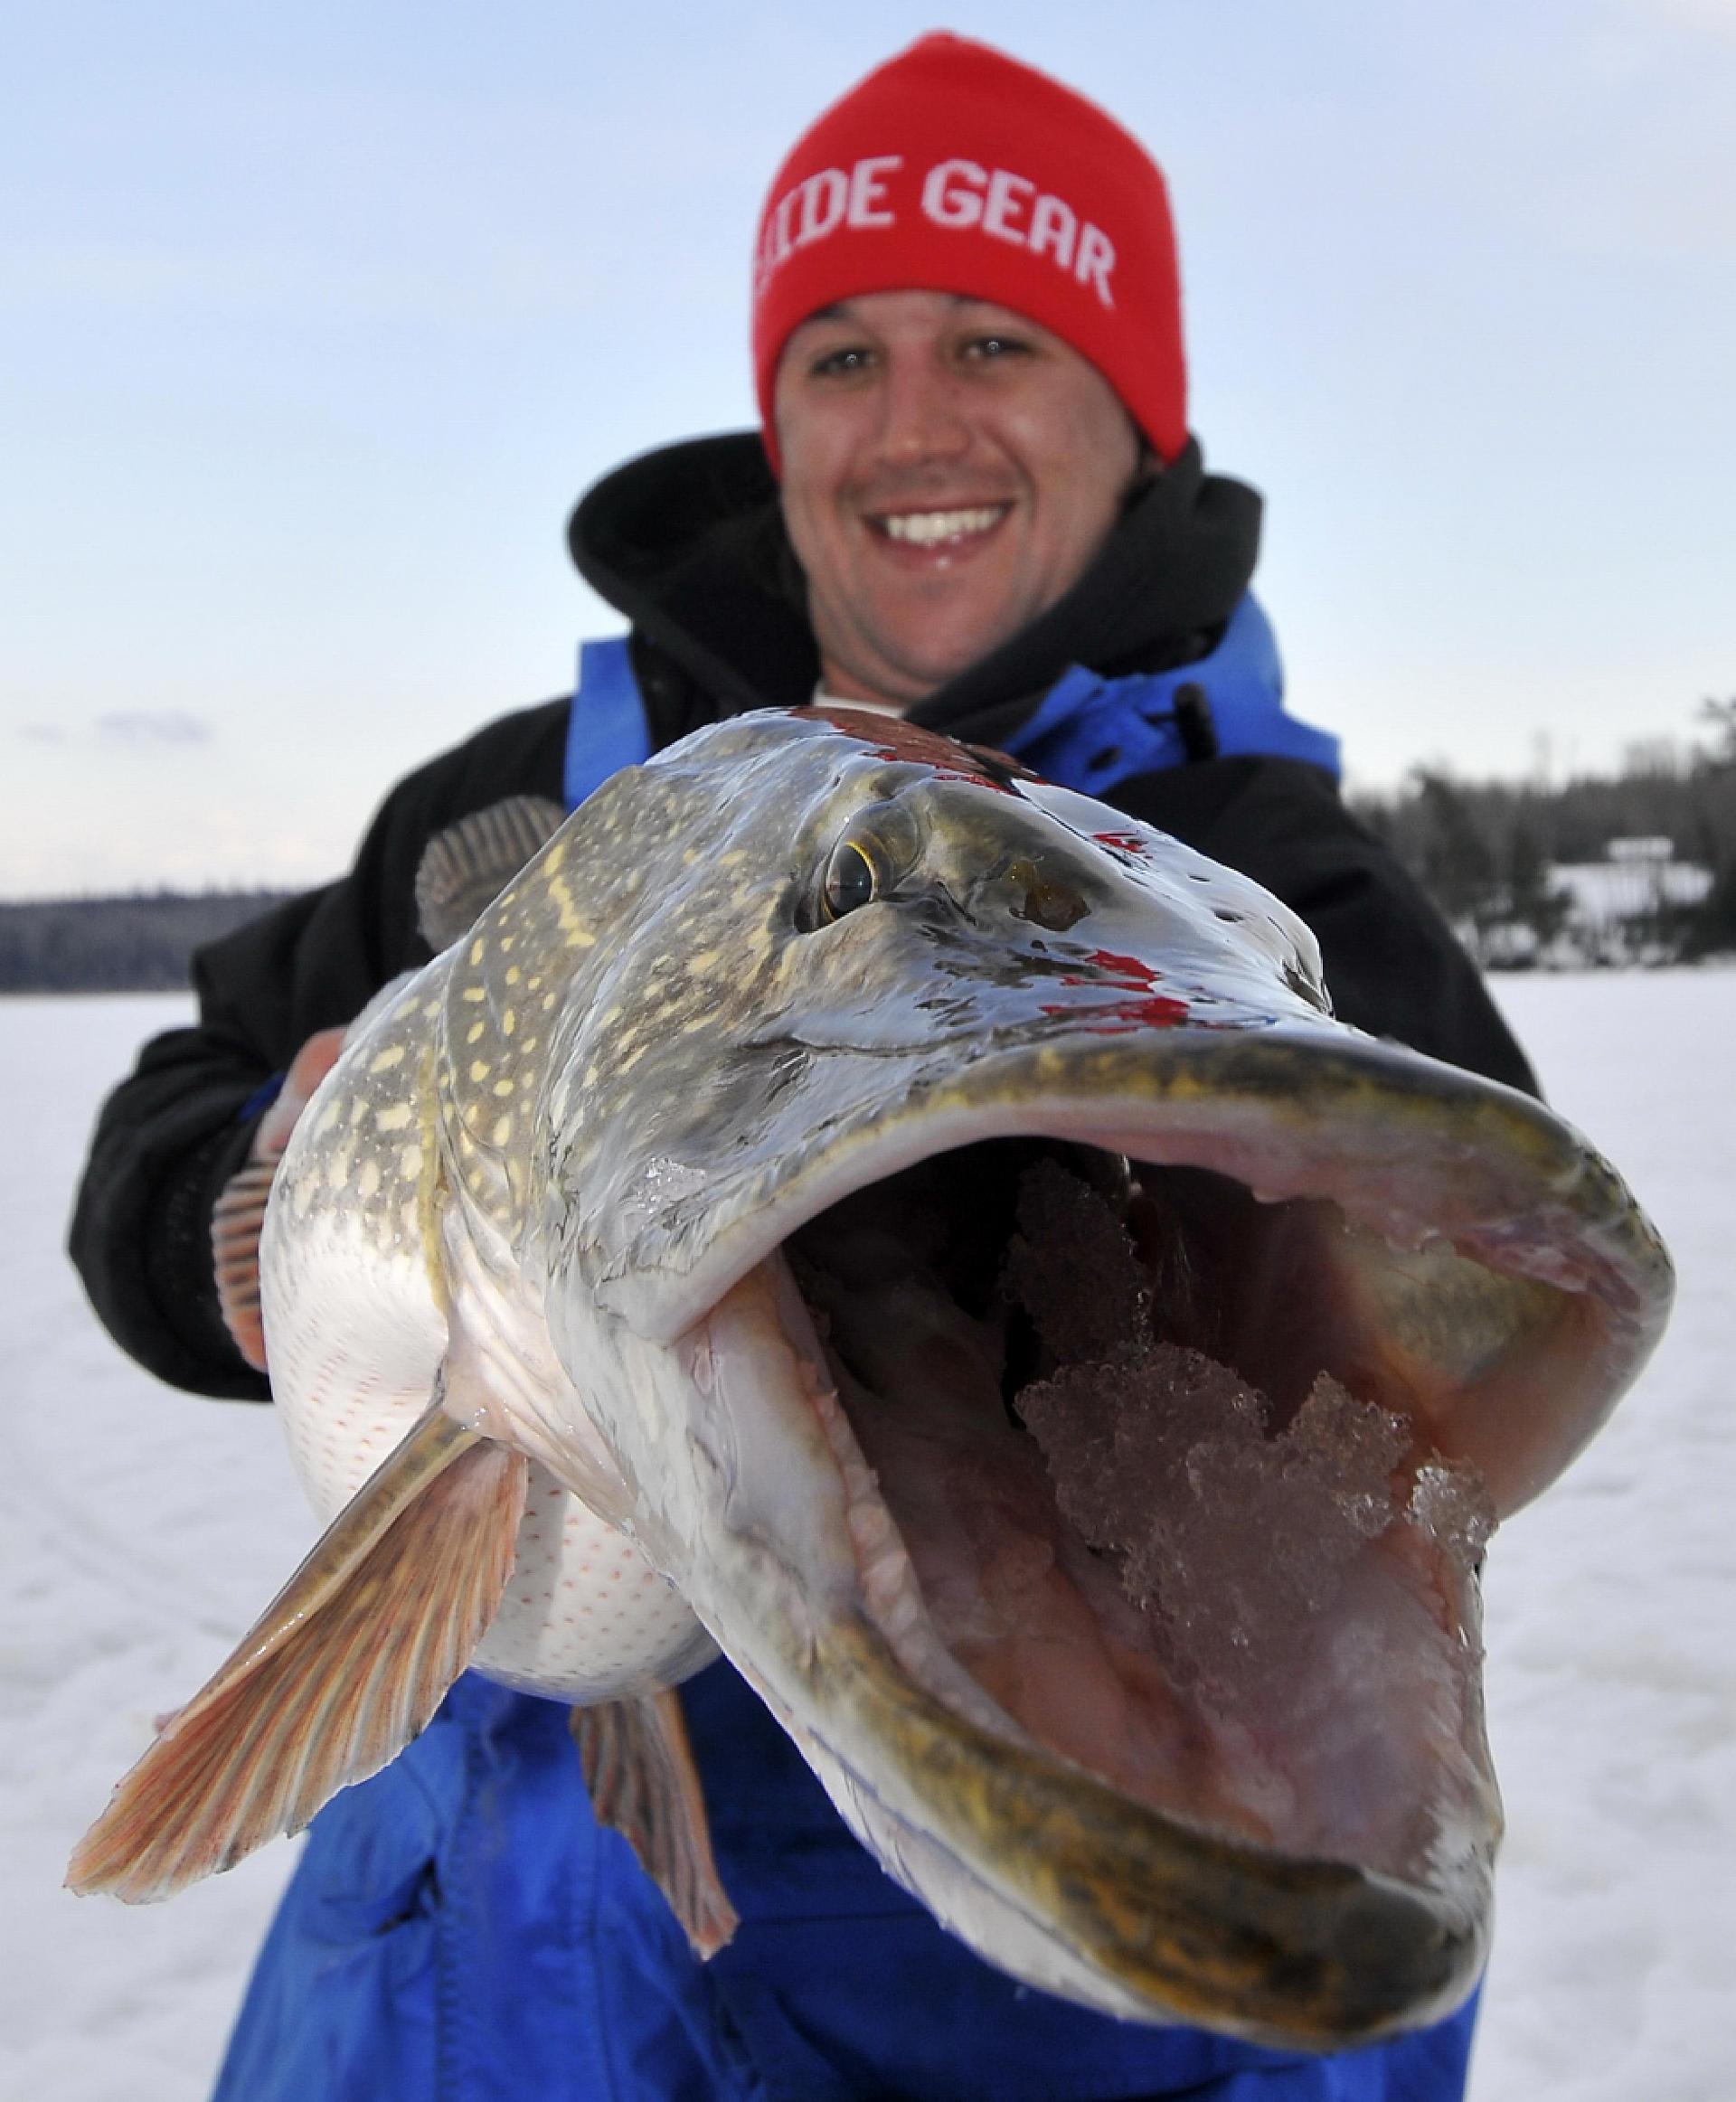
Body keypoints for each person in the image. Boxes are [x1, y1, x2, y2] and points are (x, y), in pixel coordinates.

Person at [71, 33, 1533, 2102]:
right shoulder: (523, 813)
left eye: (998, 337)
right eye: (840, 356)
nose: (910, 422)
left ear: (1139, 411)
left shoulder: (1285, 897)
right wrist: (269, 1205)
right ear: (776, 425)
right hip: (443, 2005)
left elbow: (1418, 1374)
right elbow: (165, 1116)